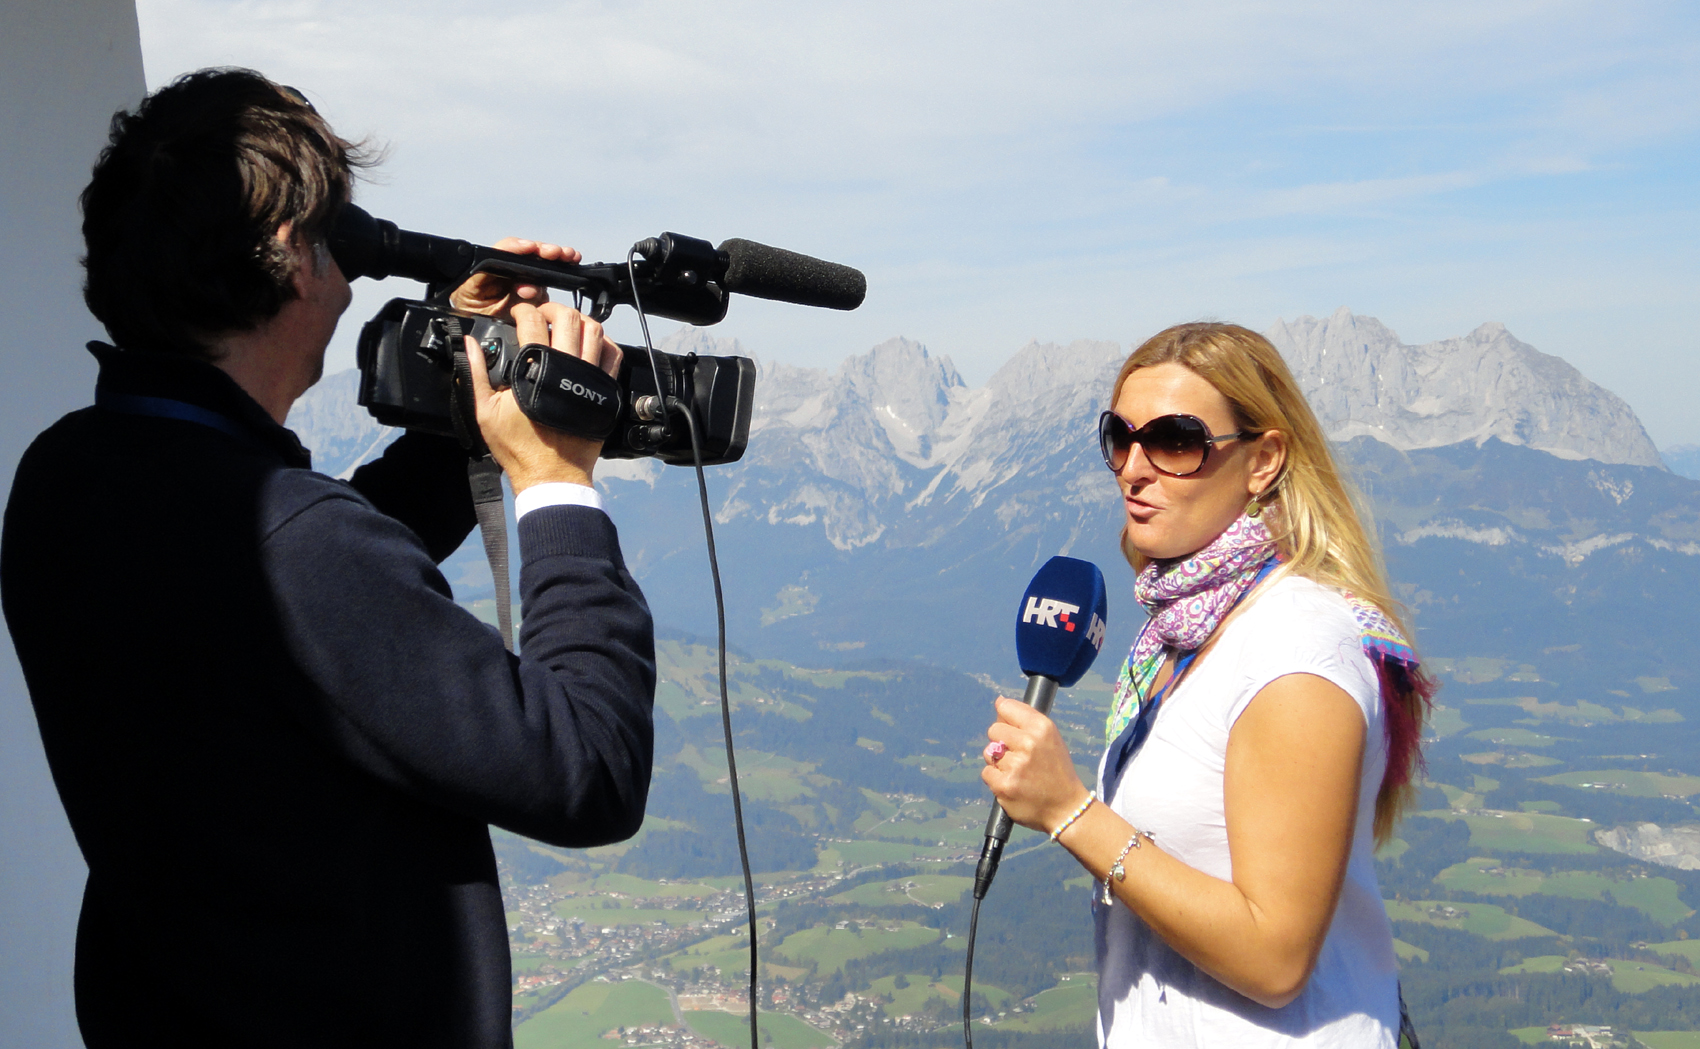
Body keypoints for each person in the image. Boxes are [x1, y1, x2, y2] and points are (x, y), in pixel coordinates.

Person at [1, 68, 656, 1048]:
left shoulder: (66, 477)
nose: (352, 274)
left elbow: (303, 609)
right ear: (290, 256)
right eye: (337, 233)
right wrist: (556, 479)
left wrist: (461, 395)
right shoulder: (293, 541)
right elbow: (587, 764)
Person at [981, 322, 1433, 1047]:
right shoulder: (1188, 626)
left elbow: (1276, 956)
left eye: (1175, 441)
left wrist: (1070, 811)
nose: (1134, 468)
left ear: (1263, 460)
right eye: (1120, 437)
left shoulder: (1295, 651)